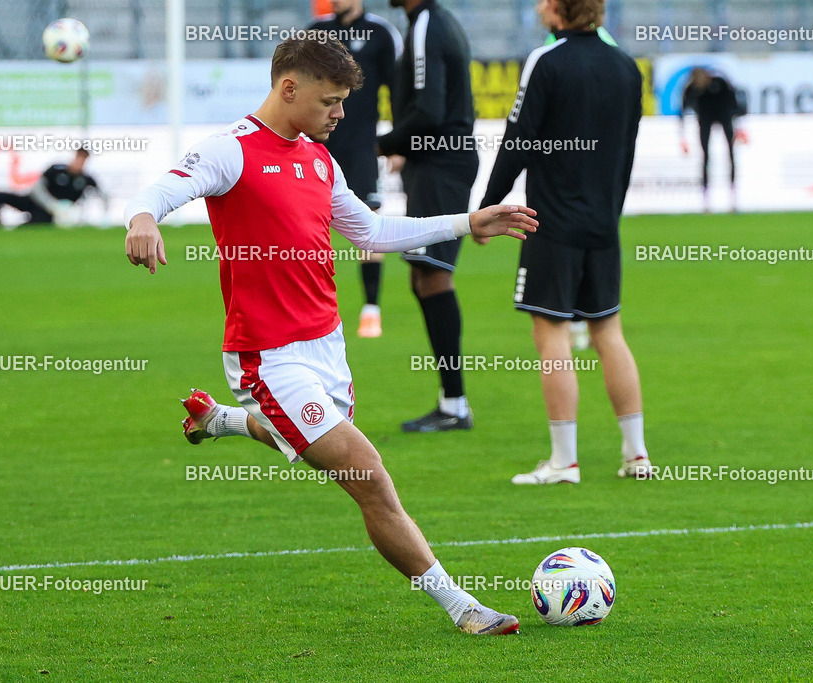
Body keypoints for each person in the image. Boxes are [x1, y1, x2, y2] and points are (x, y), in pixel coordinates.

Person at [123, 37, 536, 634]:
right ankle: (464, 608)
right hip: (268, 355)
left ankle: (221, 420)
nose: (341, 114)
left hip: (327, 345)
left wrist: (465, 221)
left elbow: (369, 232)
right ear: (289, 89)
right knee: (368, 477)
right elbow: (161, 189)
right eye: (332, 101)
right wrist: (142, 218)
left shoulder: (319, 159)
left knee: (313, 443)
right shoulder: (230, 151)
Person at [479, 0, 651, 484]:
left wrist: (488, 207)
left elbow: (518, 140)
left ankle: (564, 462)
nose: (537, 7)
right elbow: (627, 147)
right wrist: (609, 213)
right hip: (602, 224)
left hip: (551, 224)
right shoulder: (625, 66)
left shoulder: (546, 60)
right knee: (608, 332)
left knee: (551, 335)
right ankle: (637, 455)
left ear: (559, 9)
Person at [377, 0, 478, 432]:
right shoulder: (429, 23)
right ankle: (450, 400)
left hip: (441, 164)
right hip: (432, 163)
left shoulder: (427, 25)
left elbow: (430, 112)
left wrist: (382, 145)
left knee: (433, 275)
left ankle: (455, 404)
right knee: (423, 275)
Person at [309, 0, 403, 338]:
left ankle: (371, 309)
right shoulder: (317, 34)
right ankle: (312, 309)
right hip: (316, 147)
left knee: (368, 227)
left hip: (363, 148)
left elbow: (398, 90)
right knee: (305, 227)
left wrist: (397, 143)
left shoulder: (380, 33)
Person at [678, 67, 747, 213]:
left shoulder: (720, 84)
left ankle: (733, 195)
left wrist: (740, 126)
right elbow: (683, 110)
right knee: (706, 157)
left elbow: (734, 104)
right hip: (705, 120)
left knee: (730, 155)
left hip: (725, 117)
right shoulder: (692, 89)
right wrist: (682, 137)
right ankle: (705, 197)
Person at [0, 149, 104, 227]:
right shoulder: (57, 169)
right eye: (79, 158)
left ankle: (11, 229)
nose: (80, 162)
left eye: (83, 160)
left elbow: (102, 194)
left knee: (32, 226)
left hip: (51, 214)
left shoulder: (86, 179)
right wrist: (51, 204)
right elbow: (37, 188)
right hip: (34, 201)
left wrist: (104, 218)